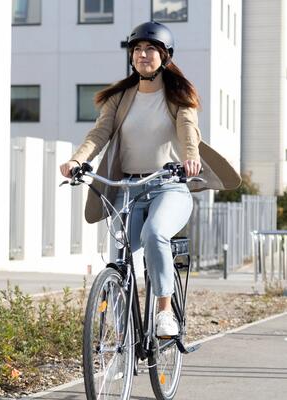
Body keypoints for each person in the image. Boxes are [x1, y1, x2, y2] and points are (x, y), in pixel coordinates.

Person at [60, 21, 241, 336]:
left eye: (150, 50)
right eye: (137, 50)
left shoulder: (177, 96)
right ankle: (121, 338)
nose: (142, 55)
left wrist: (190, 159)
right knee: (119, 257)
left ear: (165, 56)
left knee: (155, 234)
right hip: (128, 188)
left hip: (168, 187)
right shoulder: (121, 97)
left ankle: (164, 311)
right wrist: (78, 159)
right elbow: (99, 133)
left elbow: (188, 130)